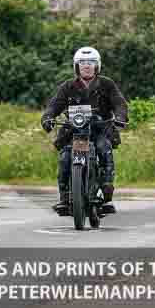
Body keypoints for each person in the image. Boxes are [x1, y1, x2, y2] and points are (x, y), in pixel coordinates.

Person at [41, 47, 128, 213]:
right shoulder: (67, 86)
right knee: (65, 157)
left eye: (91, 63)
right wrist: (47, 118)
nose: (87, 66)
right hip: (75, 132)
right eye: (82, 63)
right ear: (76, 66)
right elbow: (53, 106)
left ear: (97, 66)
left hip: (100, 130)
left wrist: (120, 117)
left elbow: (119, 103)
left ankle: (106, 196)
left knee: (104, 150)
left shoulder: (107, 84)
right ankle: (65, 199)